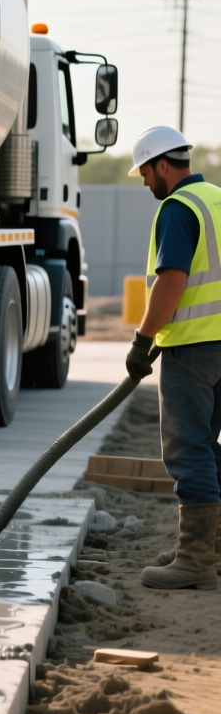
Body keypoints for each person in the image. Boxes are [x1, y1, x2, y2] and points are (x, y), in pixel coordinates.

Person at [126, 126, 221, 590]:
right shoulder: (217, 200)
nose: (145, 183)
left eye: (145, 172)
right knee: (208, 446)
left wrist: (142, 340)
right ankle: (210, 547)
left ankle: (197, 559)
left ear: (163, 165)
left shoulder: (178, 208)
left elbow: (171, 281)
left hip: (194, 348)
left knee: (187, 447)